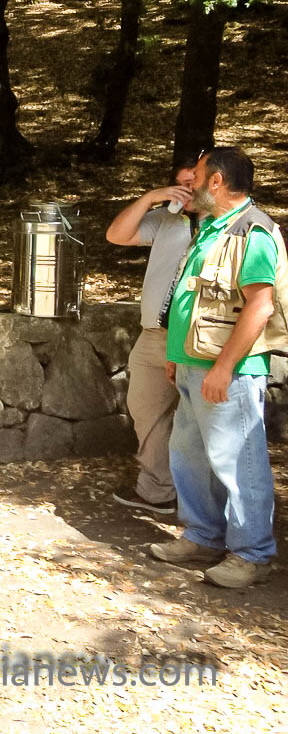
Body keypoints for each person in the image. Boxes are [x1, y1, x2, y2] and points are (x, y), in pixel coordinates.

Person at [148, 147, 286, 589]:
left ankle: (251, 554)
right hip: (193, 363)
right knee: (189, 455)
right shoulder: (212, 227)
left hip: (229, 370)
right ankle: (203, 536)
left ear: (216, 182)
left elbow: (259, 306)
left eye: (200, 174)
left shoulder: (254, 233)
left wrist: (224, 368)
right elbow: (192, 297)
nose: (191, 181)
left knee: (238, 461)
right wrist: (175, 354)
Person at [104, 155, 199, 513]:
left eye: (194, 182)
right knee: (145, 409)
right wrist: (149, 198)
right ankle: (157, 492)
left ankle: (203, 510)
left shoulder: (226, 228)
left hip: (196, 339)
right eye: (182, 183)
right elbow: (116, 235)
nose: (188, 190)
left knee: (201, 422)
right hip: (154, 336)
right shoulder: (167, 220)